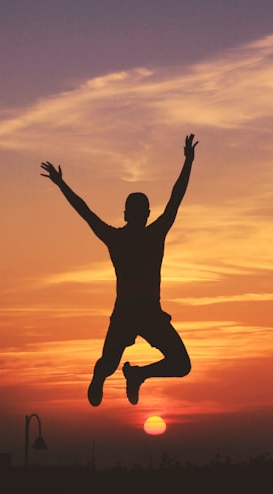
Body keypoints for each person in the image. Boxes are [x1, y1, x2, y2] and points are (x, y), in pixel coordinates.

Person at [41, 134, 198, 406]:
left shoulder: (149, 235)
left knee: (181, 364)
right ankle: (100, 377)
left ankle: (137, 375)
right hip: (126, 315)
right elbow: (85, 212)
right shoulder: (122, 238)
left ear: (144, 214)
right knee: (108, 364)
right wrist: (61, 184)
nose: (139, 215)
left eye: (141, 211)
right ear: (128, 214)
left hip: (150, 315)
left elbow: (175, 199)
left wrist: (188, 163)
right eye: (136, 211)